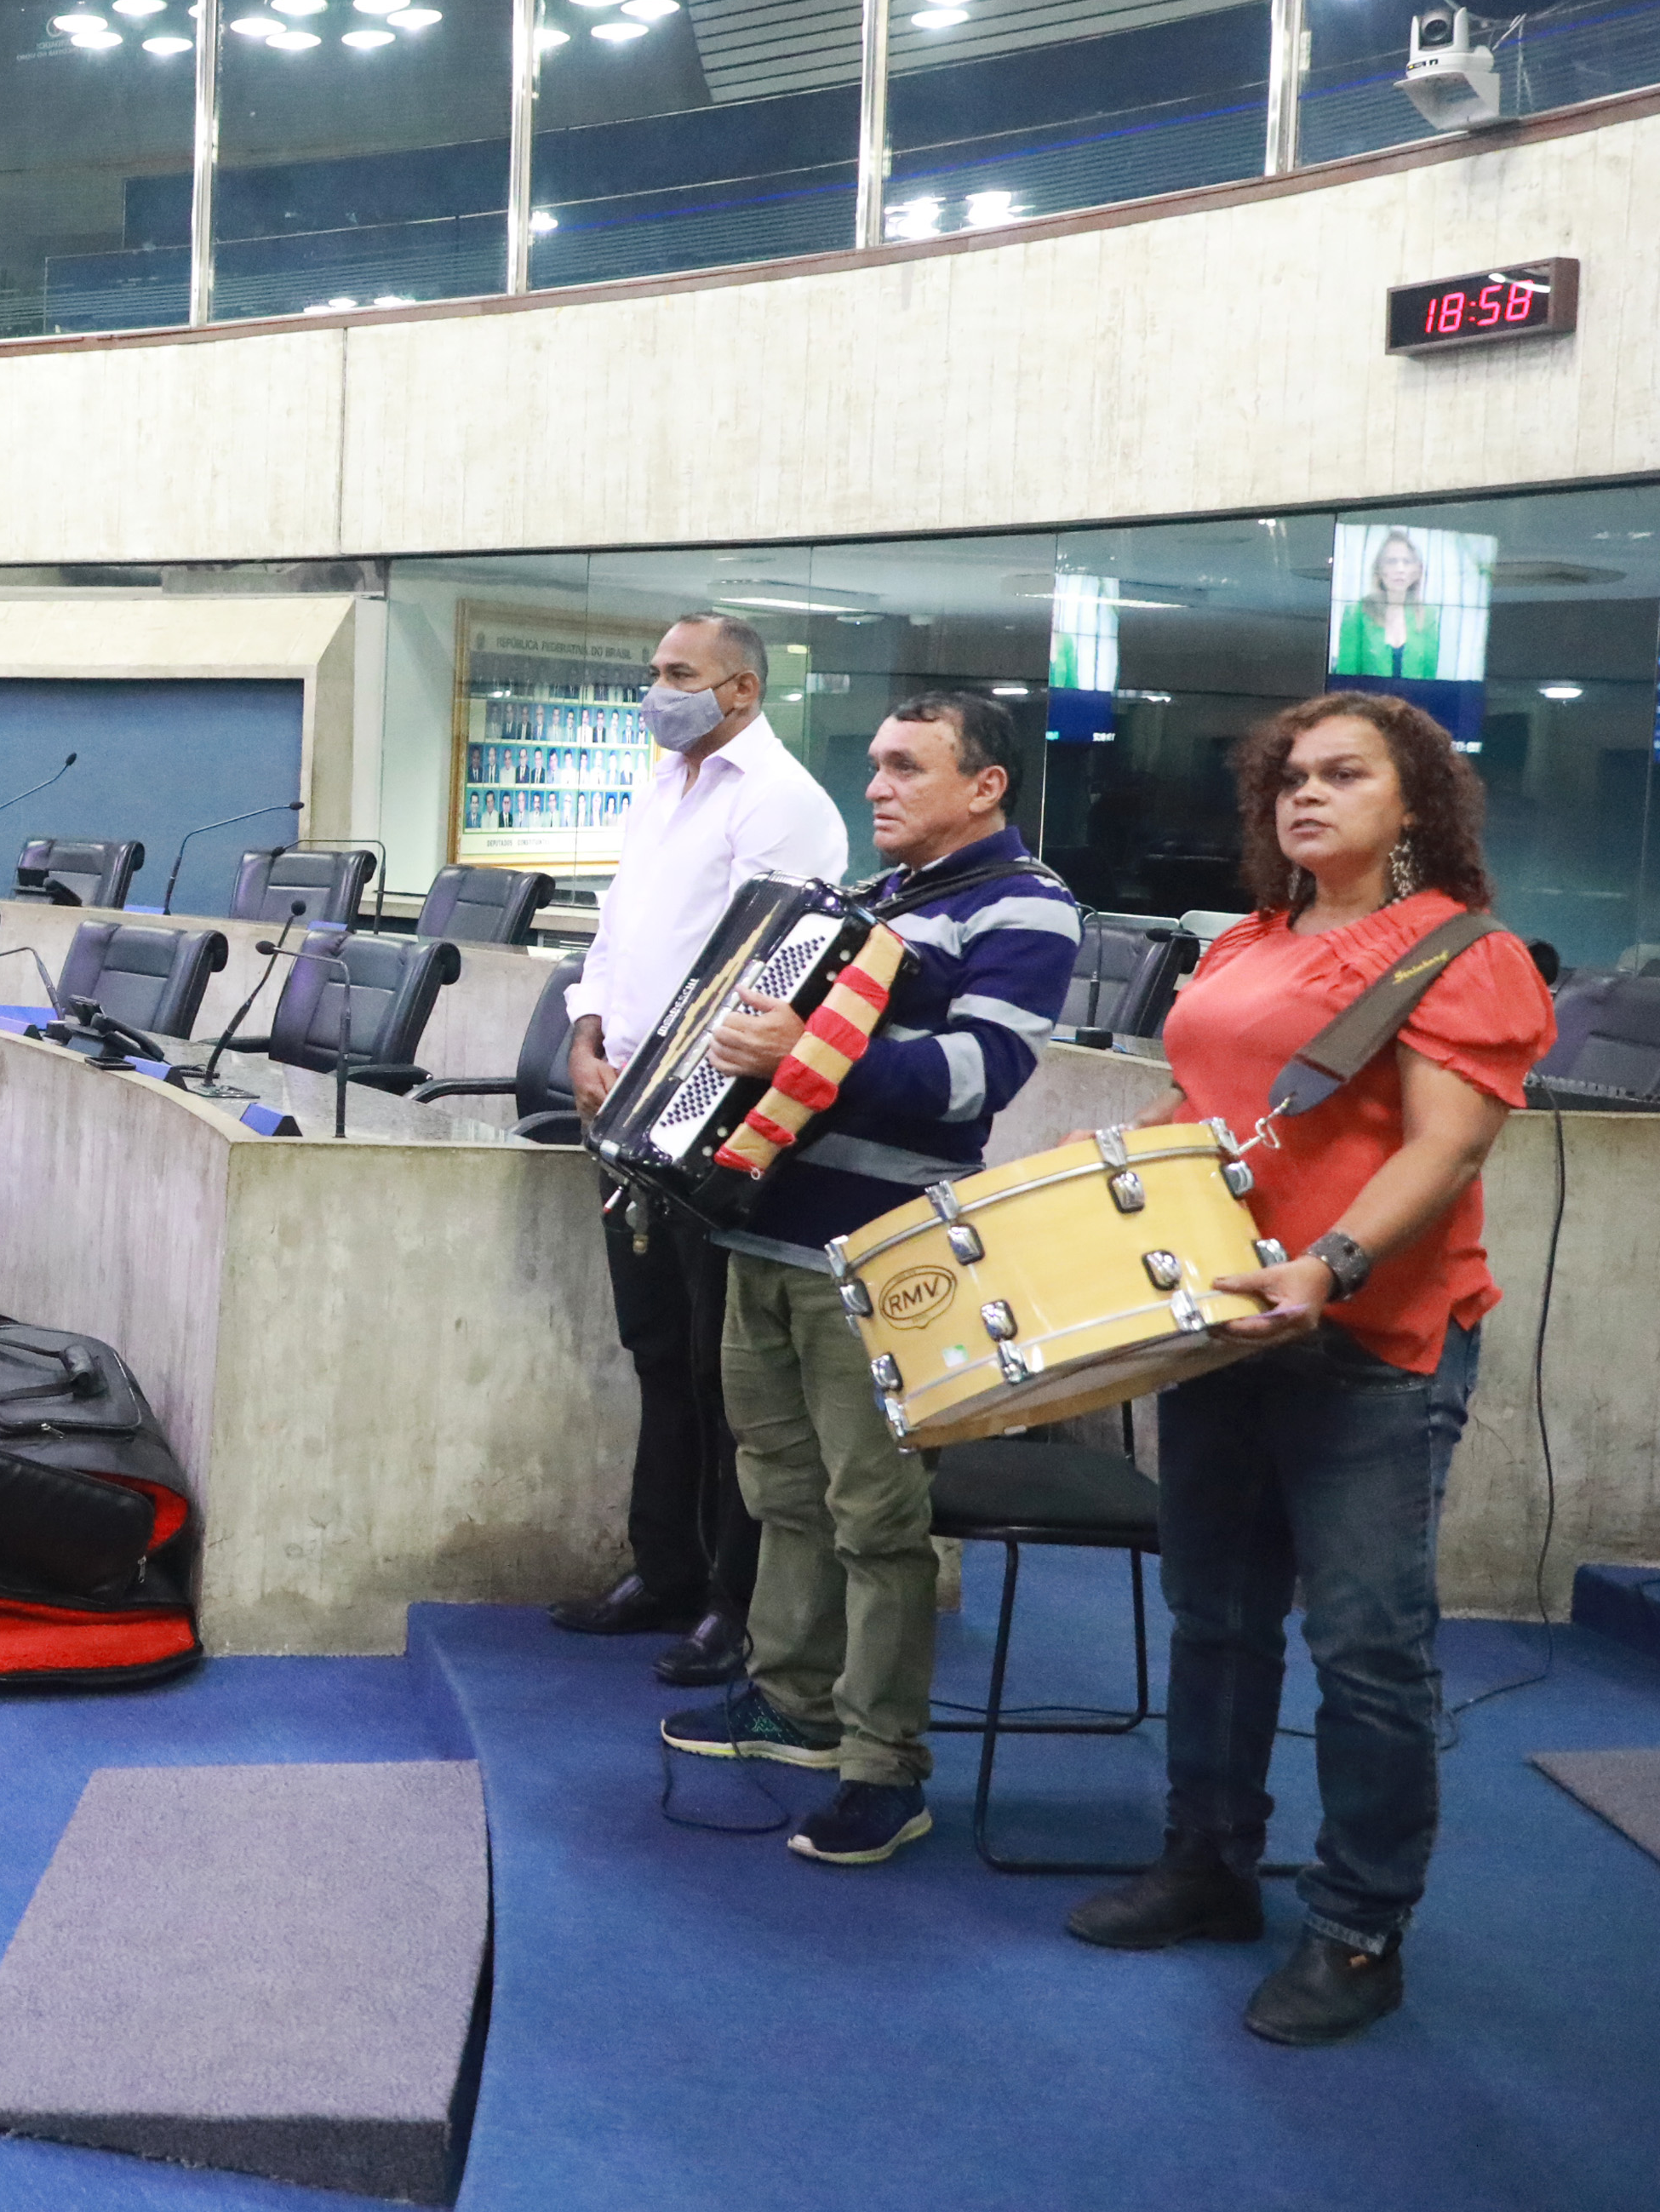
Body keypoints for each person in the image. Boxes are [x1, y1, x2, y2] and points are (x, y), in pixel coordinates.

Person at [1058, 693, 1553, 2047]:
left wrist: (1328, 1266)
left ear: (1416, 804)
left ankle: (1358, 1928)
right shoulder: (1252, 942)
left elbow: (1446, 1145)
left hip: (1369, 1342)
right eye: (1289, 777)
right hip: (1222, 1321)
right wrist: (1118, 1162)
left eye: (1344, 775)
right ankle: (1209, 1865)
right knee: (1215, 1617)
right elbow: (1215, 1110)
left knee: (1367, 1649)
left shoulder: (1465, 953)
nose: (1307, 795)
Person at [661, 691, 1079, 1868]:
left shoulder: (1026, 905)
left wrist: (803, 1057)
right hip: (767, 1227)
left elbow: (978, 1075)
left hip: (883, 1252)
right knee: (781, 1487)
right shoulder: (873, 901)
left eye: (906, 767)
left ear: (985, 785)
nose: (878, 786)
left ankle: (884, 1768)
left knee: (878, 1518)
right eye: (878, 764)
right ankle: (794, 1703)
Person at [550, 611, 851, 1687]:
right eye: (654, 671)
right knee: (658, 1355)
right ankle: (664, 1569)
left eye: (678, 673)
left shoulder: (779, 801)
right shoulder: (661, 786)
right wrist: (586, 1035)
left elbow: (768, 969)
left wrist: (663, 1085)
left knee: (730, 1379)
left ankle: (737, 1601)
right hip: (623, 1109)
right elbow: (614, 933)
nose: (656, 691)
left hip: (709, 1120)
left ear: (741, 690)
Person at [1331, 530, 1444, 679]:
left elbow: (1430, 680)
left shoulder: (1428, 616)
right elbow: (1346, 679)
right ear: (1379, 570)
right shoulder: (1356, 613)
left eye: (1407, 562)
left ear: (1417, 571)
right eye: (1391, 562)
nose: (1400, 569)